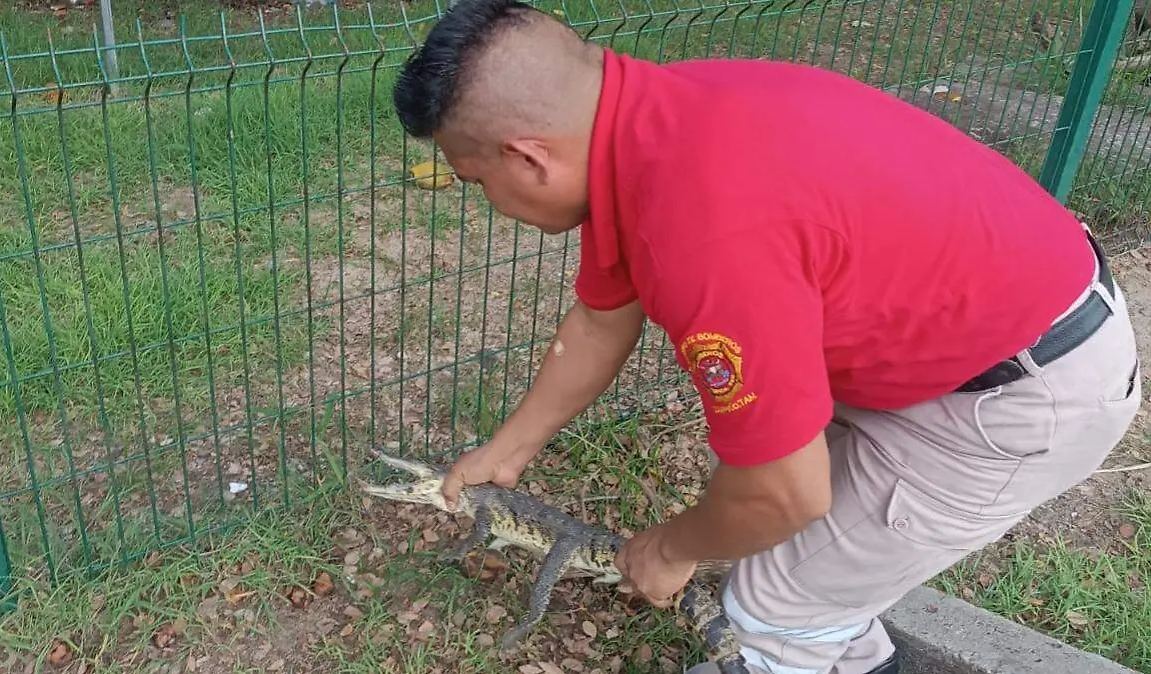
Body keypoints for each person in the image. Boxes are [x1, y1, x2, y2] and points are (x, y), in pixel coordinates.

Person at [389, 0, 1144, 672]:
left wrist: (670, 546)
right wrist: (508, 450)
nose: (485, 200)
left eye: (475, 180)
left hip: (1019, 393)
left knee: (770, 614)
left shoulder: (701, 229)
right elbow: (602, 315)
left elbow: (785, 491)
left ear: (527, 155)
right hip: (990, 330)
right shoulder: (645, 121)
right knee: (811, 578)